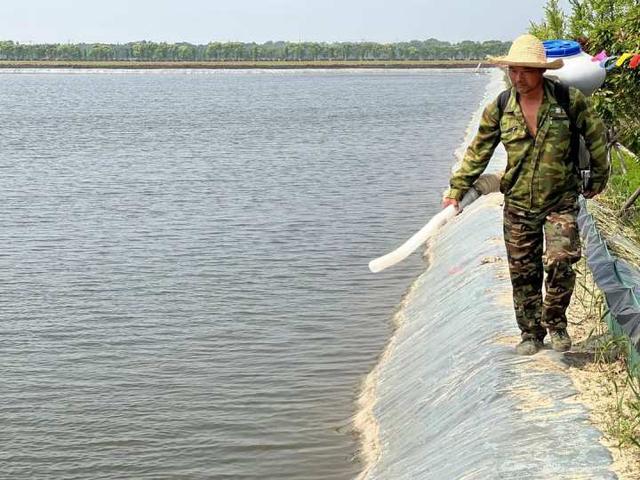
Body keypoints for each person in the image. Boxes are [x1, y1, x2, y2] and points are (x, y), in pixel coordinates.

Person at [442, 34, 609, 355]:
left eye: (525, 71)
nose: (518, 78)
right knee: (523, 271)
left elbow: (595, 136)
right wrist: (457, 191)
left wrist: (598, 176)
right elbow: (478, 152)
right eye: (513, 71)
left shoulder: (567, 100)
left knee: (561, 262)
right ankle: (530, 333)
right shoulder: (500, 108)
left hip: (560, 199)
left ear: (541, 71)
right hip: (518, 203)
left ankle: (556, 323)